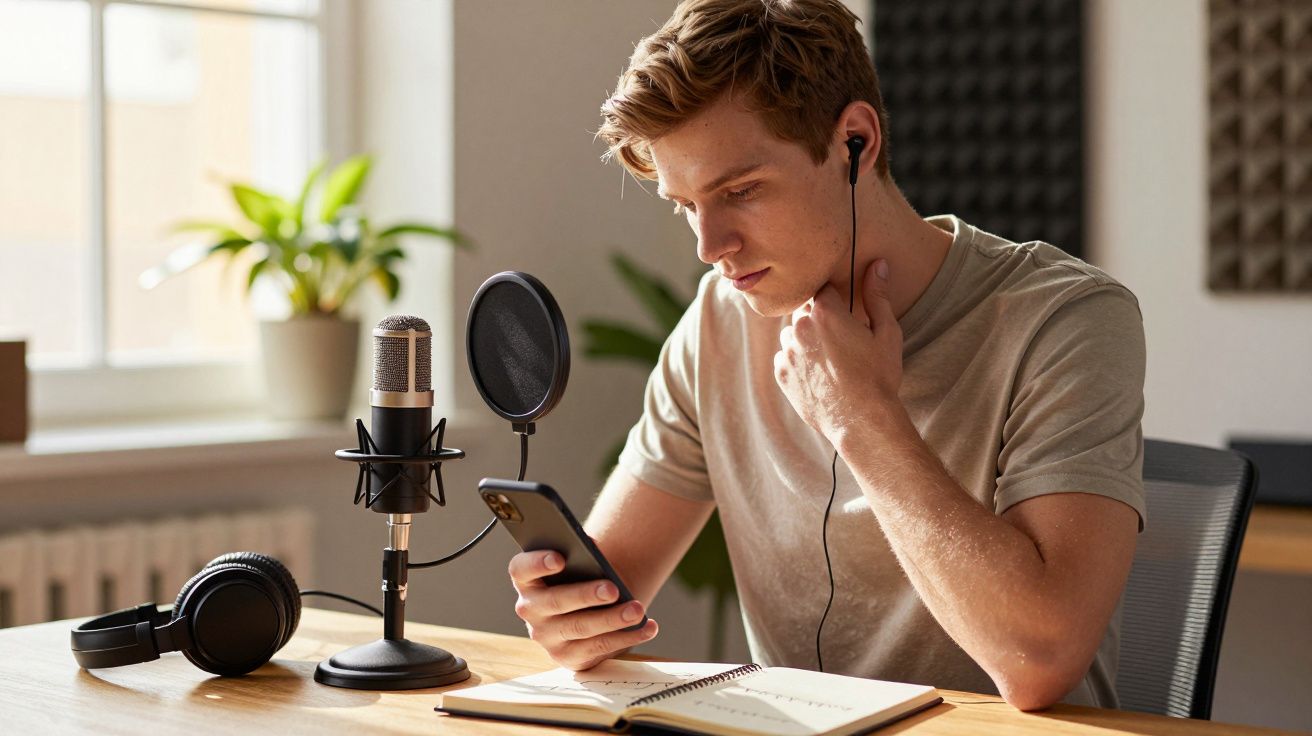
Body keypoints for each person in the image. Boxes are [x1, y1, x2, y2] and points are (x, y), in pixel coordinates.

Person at [506, 0, 1145, 712]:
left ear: (855, 143)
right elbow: (605, 595)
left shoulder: (1065, 319)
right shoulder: (720, 320)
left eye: (739, 191)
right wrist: (574, 619)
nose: (709, 246)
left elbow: (1041, 660)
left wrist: (864, 420)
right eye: (685, 205)